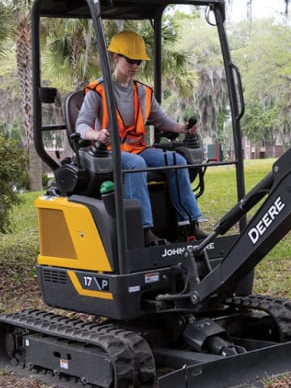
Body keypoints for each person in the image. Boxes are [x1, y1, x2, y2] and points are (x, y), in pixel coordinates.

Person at [75, 30, 207, 244]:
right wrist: (96, 134)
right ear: (117, 57)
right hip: (108, 152)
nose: (136, 66)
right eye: (131, 60)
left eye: (139, 62)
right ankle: (144, 231)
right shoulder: (98, 91)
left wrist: (182, 127)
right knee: (136, 164)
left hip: (137, 148)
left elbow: (162, 121)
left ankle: (189, 225)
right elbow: (81, 125)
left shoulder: (143, 91)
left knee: (177, 161)